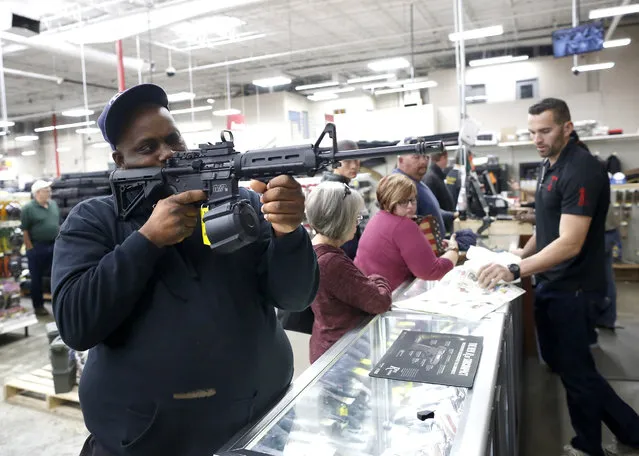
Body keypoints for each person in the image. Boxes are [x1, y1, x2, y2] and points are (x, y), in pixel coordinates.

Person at [51, 83, 319, 456]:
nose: (167, 154)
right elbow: (76, 324)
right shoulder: (94, 220)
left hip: (258, 422)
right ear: (120, 160)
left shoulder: (237, 203)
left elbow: (294, 296)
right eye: (147, 147)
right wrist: (146, 241)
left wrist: (289, 233)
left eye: (173, 139)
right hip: (148, 439)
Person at [477, 98, 639, 456]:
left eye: (545, 131)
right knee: (573, 370)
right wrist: (523, 253)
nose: (537, 138)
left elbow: (569, 242)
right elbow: (547, 223)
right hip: (552, 285)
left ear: (567, 127)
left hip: (575, 289)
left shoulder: (581, 168)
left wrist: (516, 269)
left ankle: (588, 446)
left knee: (578, 374)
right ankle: (631, 430)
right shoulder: (549, 163)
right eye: (533, 132)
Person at [306, 182, 392, 363]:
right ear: (341, 220)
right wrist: (377, 279)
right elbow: (379, 301)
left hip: (325, 344)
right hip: (341, 354)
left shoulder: (312, 249)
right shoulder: (331, 262)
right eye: (355, 217)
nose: (357, 223)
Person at [355, 174, 458, 290]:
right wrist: (453, 250)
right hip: (386, 298)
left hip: (365, 293)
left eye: (412, 200)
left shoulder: (377, 218)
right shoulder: (403, 225)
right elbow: (432, 271)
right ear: (387, 201)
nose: (410, 206)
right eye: (403, 201)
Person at [21, 179, 59, 317]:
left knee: (56, 275)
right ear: (37, 193)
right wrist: (30, 248)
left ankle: (58, 304)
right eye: (46, 190)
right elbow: (25, 230)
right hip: (37, 246)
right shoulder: (28, 209)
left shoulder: (53, 205)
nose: (49, 192)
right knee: (36, 278)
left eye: (49, 190)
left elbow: (57, 224)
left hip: (53, 245)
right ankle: (38, 306)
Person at [394, 153, 456, 235]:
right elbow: (405, 231)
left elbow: (428, 211)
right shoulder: (400, 184)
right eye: (416, 157)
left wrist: (452, 215)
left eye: (426, 157)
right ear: (401, 160)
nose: (423, 161)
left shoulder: (415, 181)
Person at [320, 139, 362, 260]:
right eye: (347, 161)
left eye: (356, 159)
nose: (354, 165)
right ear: (335, 162)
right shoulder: (336, 190)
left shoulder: (336, 184)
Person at [423, 149, 456, 214]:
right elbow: (432, 207)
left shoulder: (436, 176)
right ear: (443, 157)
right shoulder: (432, 178)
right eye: (447, 158)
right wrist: (451, 215)